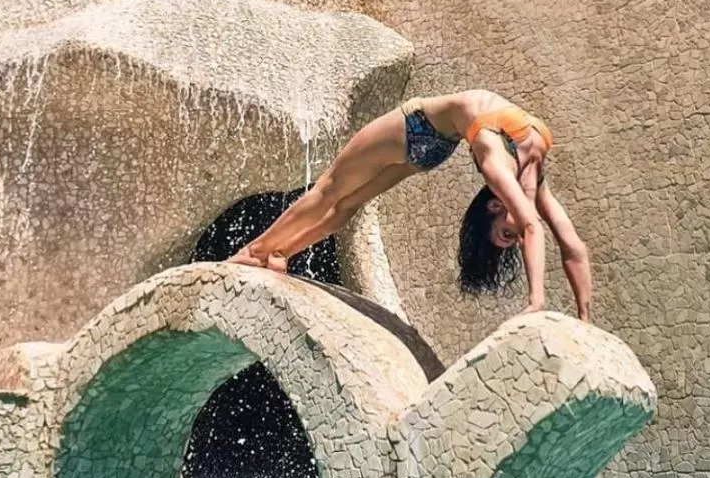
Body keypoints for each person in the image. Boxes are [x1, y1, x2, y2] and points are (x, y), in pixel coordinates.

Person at [226, 90, 592, 321]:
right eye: (507, 234)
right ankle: (267, 252)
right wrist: (537, 300)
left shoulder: (522, 176)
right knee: (338, 200)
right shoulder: (508, 169)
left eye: (506, 237)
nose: (516, 233)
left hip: (423, 134)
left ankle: (265, 251)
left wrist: (584, 318)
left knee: (333, 194)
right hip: (423, 135)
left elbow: (572, 247)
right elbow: (537, 230)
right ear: (494, 206)